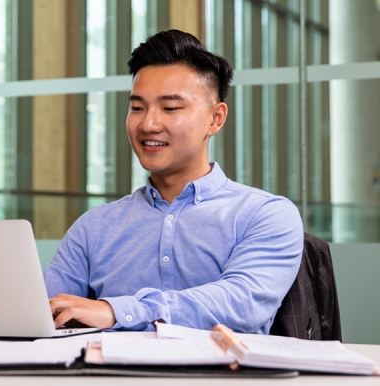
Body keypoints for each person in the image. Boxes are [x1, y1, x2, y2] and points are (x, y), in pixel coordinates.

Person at [44, 29, 303, 334]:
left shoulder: (264, 215)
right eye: (137, 108)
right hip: (109, 380)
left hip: (224, 380)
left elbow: (239, 304)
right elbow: (43, 310)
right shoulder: (95, 227)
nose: (148, 124)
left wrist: (117, 311)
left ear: (215, 118)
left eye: (170, 108)